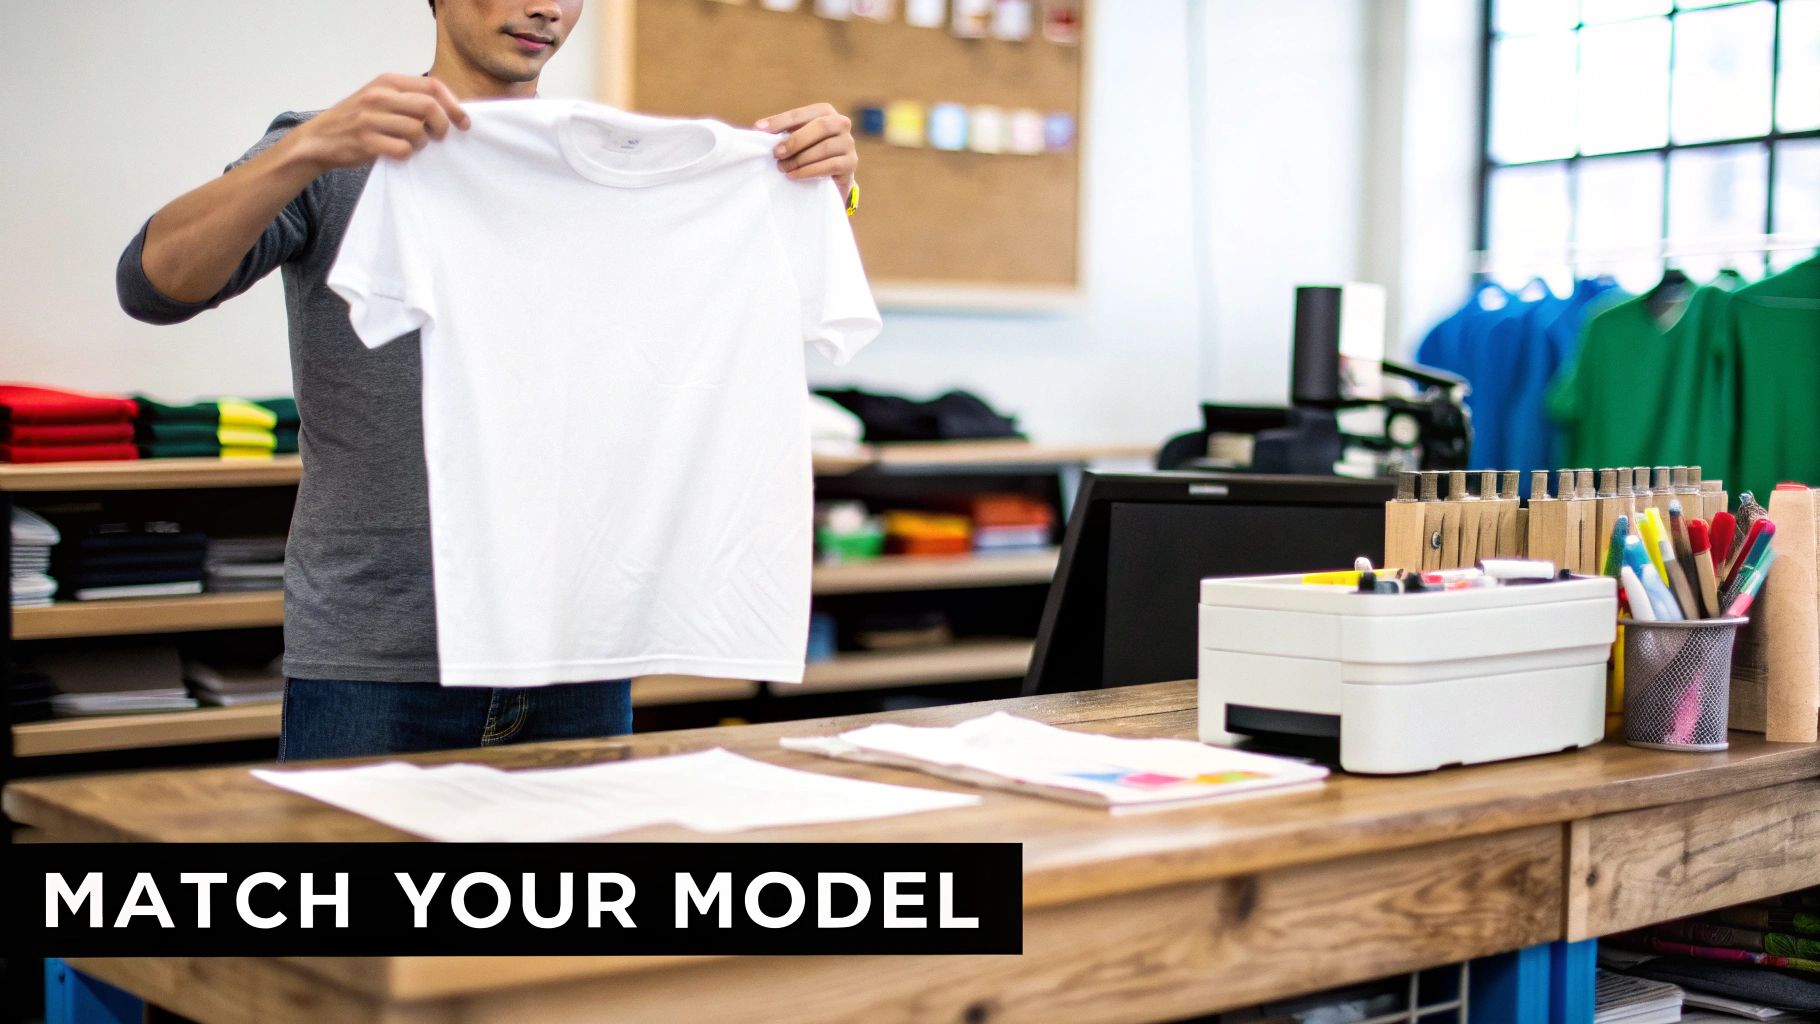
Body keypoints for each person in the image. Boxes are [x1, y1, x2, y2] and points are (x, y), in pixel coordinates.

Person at [116, 0, 860, 761]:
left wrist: (817, 195)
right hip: (381, 654)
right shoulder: (342, 150)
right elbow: (151, 288)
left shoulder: (621, 177)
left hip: (579, 645)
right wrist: (304, 150)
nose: (544, 5)